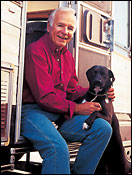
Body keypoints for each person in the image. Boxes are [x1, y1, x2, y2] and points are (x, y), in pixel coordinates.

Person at [21, 7, 115, 174]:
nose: (65, 32)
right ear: (49, 27)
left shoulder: (67, 56)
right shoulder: (35, 51)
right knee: (58, 149)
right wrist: (77, 108)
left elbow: (71, 91)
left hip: (60, 114)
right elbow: (44, 97)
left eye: (70, 28)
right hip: (34, 113)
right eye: (60, 26)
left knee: (103, 128)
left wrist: (99, 91)